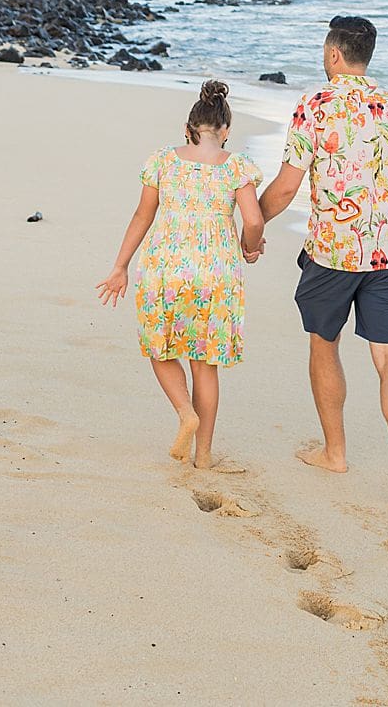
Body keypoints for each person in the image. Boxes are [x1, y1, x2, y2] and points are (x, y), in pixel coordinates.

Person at [256, 14, 388, 514]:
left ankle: (335, 453)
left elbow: (285, 186)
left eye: (325, 50)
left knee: (325, 343)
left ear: (335, 54)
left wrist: (248, 228)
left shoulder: (315, 106)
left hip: (333, 254)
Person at [96, 79, 264, 469]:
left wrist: (120, 266)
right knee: (205, 363)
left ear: (187, 129)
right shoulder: (237, 166)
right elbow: (253, 220)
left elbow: (143, 215)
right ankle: (203, 456)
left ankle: (185, 412)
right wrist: (250, 246)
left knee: (161, 348)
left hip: (165, 268)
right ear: (225, 131)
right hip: (217, 272)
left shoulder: (163, 161)